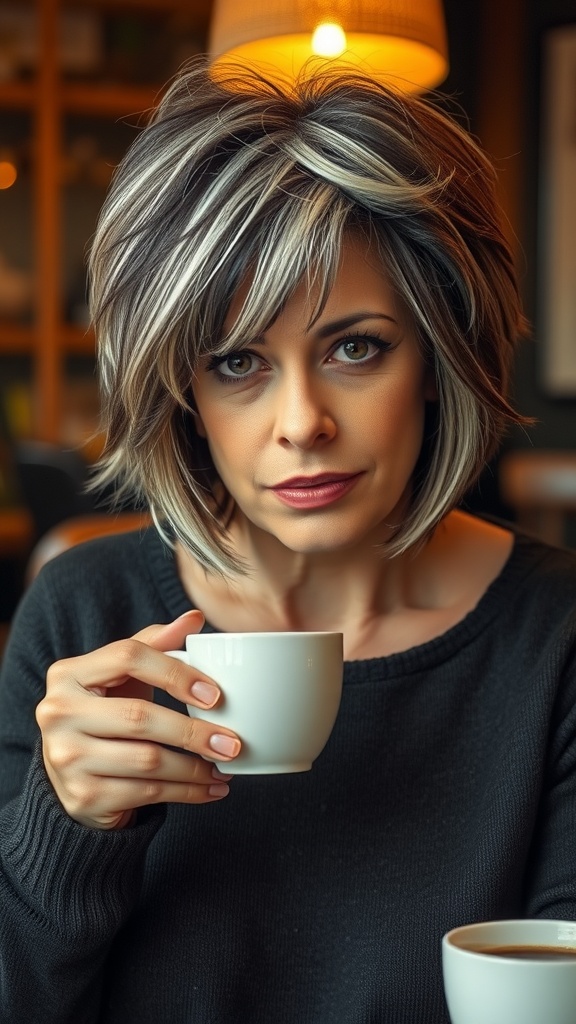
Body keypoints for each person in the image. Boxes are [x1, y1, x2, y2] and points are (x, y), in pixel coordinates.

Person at [1, 58, 576, 1024]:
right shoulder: (84, 617)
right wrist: (67, 831)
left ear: (438, 354)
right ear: (183, 390)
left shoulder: (554, 636)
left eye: (356, 347)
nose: (303, 422)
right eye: (238, 362)